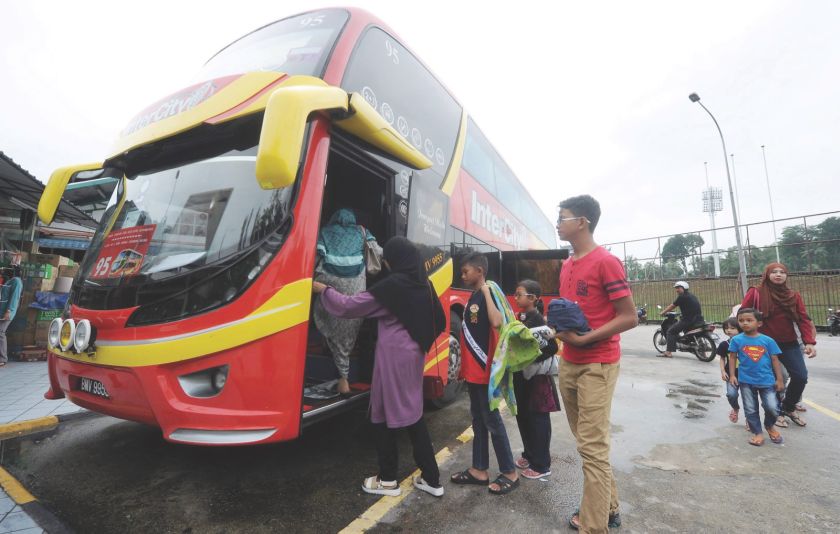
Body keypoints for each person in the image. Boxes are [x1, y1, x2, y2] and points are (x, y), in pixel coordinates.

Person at [312, 236, 446, 497]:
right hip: (411, 357)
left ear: (395, 260)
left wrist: (323, 290)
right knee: (393, 411)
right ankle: (429, 478)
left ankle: (390, 480)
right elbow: (438, 319)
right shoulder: (423, 284)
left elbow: (348, 307)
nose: (384, 263)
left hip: (393, 360)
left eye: (386, 259)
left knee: (399, 417)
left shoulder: (393, 288)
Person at [553, 195, 636, 533]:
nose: (558, 223)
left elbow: (629, 317)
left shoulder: (607, 262)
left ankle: (593, 525)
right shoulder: (567, 263)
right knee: (589, 444)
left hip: (597, 364)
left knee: (592, 446)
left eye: (563, 218)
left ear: (582, 222)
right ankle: (609, 508)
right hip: (569, 362)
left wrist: (588, 339)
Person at [450, 252, 520, 495]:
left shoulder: (488, 292)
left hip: (484, 371)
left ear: (479, 271)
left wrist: (488, 293)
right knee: (478, 420)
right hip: (472, 372)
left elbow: (497, 322)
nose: (463, 275)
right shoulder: (473, 295)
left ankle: (509, 471)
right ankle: (480, 469)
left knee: (492, 421)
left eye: (466, 271)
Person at [312, 208, 381, 395]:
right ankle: (344, 376)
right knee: (348, 327)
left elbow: (317, 255)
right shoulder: (362, 231)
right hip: (355, 284)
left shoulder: (325, 232)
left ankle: (337, 365)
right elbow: (377, 252)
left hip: (329, 281)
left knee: (329, 318)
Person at [740, 262, 816, 427]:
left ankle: (786, 408)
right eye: (774, 272)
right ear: (767, 274)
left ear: (786, 276)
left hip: (789, 343)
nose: (778, 274)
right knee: (774, 379)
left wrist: (809, 341)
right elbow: (743, 313)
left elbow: (803, 319)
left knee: (801, 376)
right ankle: (773, 413)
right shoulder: (756, 292)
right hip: (764, 344)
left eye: (782, 272)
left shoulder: (793, 295)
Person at [512, 279, 560, 480]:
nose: (516, 297)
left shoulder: (538, 320)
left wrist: (527, 358)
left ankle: (542, 464)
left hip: (536, 379)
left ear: (531, 298)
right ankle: (529, 454)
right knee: (523, 416)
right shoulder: (521, 317)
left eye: (519, 294)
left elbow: (552, 347)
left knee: (538, 419)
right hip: (522, 377)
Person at [728, 308, 785, 446]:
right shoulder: (736, 340)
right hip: (746, 381)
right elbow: (732, 357)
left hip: (767, 380)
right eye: (741, 321)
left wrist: (779, 379)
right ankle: (757, 433)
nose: (745, 323)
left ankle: (770, 426)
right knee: (750, 409)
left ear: (759, 323)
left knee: (772, 407)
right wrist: (732, 375)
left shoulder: (768, 341)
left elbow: (775, 360)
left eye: (749, 320)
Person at [659, 281, 703, 358]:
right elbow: (689, 307)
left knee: (671, 331)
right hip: (698, 319)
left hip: (688, 320)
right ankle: (702, 352)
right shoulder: (692, 296)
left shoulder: (682, 297)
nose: (677, 290)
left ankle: (668, 352)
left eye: (678, 288)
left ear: (684, 288)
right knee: (686, 331)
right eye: (676, 288)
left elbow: (672, 306)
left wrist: (663, 312)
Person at [716, 317, 742, 424]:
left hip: (746, 375)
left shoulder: (746, 343)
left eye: (732, 328)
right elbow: (722, 358)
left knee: (749, 398)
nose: (729, 330)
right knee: (732, 395)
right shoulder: (724, 344)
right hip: (731, 375)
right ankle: (735, 408)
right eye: (726, 328)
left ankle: (751, 419)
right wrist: (723, 371)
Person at [0, 266, 23, 367]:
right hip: (3, 310)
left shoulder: (16, 281)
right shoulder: (8, 281)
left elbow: (14, 298)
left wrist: (8, 311)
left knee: (0, 332)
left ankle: (3, 358)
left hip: (8, 312)